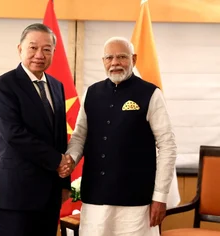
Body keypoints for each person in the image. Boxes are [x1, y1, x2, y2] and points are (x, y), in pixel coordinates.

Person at [63, 37, 177, 236]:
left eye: (121, 57)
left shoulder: (150, 94)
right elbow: (80, 136)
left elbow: (168, 146)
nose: (115, 62)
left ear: (133, 58)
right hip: (95, 199)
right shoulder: (92, 93)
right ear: (103, 61)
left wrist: (160, 197)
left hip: (136, 202)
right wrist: (70, 158)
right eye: (109, 57)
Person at [0, 23, 74, 236]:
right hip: (16, 193)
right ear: (20, 49)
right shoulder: (4, 85)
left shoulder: (56, 86)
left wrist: (64, 182)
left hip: (49, 194)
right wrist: (58, 161)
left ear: (54, 52)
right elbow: (14, 134)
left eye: (47, 49)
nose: (40, 54)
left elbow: (58, 136)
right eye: (33, 47)